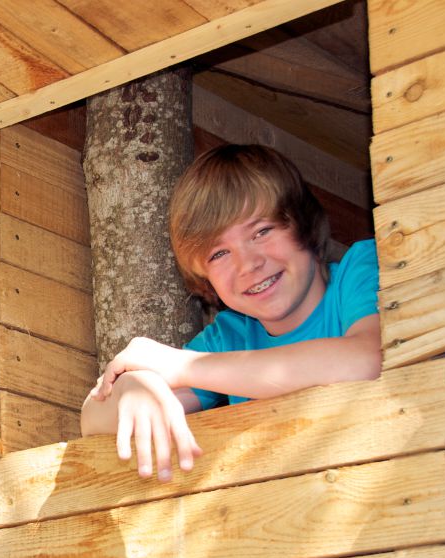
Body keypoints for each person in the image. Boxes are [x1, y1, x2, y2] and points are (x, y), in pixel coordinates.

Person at [81, 144, 381, 482]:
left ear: (303, 223)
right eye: (219, 253)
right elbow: (92, 420)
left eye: (261, 232)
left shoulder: (360, 269)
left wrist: (182, 367)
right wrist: (136, 385)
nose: (248, 264)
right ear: (203, 277)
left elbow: (366, 359)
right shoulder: (232, 335)